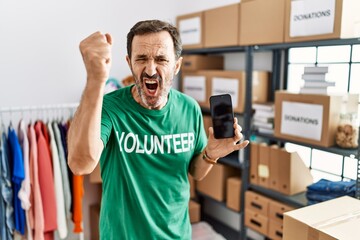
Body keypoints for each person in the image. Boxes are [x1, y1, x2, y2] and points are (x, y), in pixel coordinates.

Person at [67, 19, 249, 240]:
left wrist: (211, 154)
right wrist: (95, 78)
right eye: (141, 59)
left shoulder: (189, 108)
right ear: (129, 62)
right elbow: (79, 164)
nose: (150, 70)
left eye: (161, 59)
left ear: (176, 66)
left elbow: (195, 171)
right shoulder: (109, 107)